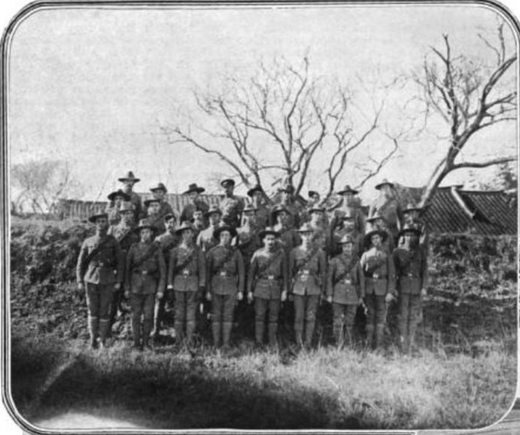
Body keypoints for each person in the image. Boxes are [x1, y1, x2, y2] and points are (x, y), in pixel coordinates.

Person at [76, 213, 124, 349]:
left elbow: (120, 263)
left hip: (108, 279)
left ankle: (102, 340)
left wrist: (118, 281)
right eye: (98, 222)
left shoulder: (113, 241)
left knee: (105, 310)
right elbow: (80, 263)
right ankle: (92, 340)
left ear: (107, 224)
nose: (101, 224)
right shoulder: (88, 241)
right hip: (90, 279)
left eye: (103, 221)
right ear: (95, 224)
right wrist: (79, 281)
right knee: (92, 310)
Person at [125, 219, 166, 350]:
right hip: (135, 285)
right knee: (135, 315)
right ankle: (136, 342)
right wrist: (126, 287)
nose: (145, 235)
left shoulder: (156, 249)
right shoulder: (134, 248)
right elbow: (127, 269)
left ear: (151, 233)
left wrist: (160, 289)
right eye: (142, 232)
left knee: (149, 316)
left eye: (147, 232)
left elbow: (162, 271)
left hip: (150, 286)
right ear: (139, 234)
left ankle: (146, 342)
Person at [247, 227, 288, 348]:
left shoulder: (281, 254)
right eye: (268, 239)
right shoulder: (258, 254)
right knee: (259, 316)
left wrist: (285, 290)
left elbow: (285, 274)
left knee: (273, 317)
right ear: (263, 240)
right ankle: (259, 342)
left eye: (273, 239)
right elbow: (251, 274)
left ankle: (272, 342)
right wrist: (249, 291)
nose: (271, 242)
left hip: (275, 288)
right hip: (260, 288)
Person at [206, 225, 245, 349]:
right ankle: (216, 343)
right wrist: (207, 290)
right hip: (215, 285)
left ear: (231, 237)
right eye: (222, 235)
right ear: (218, 237)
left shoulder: (236, 252)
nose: (224, 237)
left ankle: (226, 343)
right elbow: (207, 273)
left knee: (228, 315)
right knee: (216, 315)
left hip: (230, 285)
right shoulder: (212, 252)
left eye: (227, 235)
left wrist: (240, 290)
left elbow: (241, 272)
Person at [167, 222, 206, 347]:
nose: (187, 235)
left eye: (189, 232)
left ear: (193, 234)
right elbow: (170, 270)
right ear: (181, 235)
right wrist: (169, 286)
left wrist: (201, 286)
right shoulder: (174, 251)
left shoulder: (198, 250)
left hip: (192, 284)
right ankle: (178, 341)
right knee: (179, 314)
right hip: (178, 283)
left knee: (191, 314)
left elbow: (202, 269)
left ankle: (189, 341)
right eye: (184, 233)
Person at [289, 223, 327, 350]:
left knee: (311, 316)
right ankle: (298, 342)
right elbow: (290, 272)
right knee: (299, 316)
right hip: (298, 287)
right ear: (300, 235)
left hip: (314, 287)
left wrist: (322, 290)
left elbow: (323, 272)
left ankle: (308, 343)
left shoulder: (319, 252)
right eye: (304, 234)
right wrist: (289, 289)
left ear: (312, 235)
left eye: (309, 234)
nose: (306, 237)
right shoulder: (294, 252)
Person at [393, 224, 428, 353]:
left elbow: (424, 271)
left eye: (412, 235)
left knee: (413, 315)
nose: (409, 237)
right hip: (403, 286)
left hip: (416, 287)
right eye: (407, 235)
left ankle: (411, 339)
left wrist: (424, 287)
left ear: (416, 237)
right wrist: (394, 288)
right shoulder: (397, 252)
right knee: (403, 314)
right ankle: (403, 339)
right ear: (403, 237)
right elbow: (394, 273)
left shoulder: (421, 252)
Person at [360, 224, 396, 350]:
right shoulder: (365, 255)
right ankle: (368, 344)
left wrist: (390, 291)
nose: (375, 240)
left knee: (381, 315)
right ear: (370, 241)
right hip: (369, 288)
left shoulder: (387, 255)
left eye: (377, 238)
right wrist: (362, 292)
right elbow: (361, 275)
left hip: (382, 288)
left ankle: (379, 345)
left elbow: (392, 275)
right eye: (373, 238)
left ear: (381, 239)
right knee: (370, 314)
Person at [327, 234, 365, 348]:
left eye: (349, 246)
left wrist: (361, 296)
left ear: (352, 247)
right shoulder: (335, 261)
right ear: (342, 248)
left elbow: (361, 279)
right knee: (337, 321)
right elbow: (329, 278)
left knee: (350, 321)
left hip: (353, 294)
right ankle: (338, 343)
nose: (347, 249)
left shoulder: (356, 261)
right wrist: (329, 294)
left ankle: (348, 344)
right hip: (338, 293)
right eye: (345, 246)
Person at [107, 201, 139, 337]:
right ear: (120, 215)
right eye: (124, 213)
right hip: (115, 270)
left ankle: (130, 332)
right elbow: (106, 249)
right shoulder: (113, 229)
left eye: (129, 213)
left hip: (131, 271)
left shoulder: (136, 232)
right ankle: (106, 331)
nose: (127, 216)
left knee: (132, 303)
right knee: (112, 302)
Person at [151, 213, 180, 341]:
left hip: (177, 273)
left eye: (173, 222)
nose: (171, 224)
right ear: (165, 224)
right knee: (159, 302)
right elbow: (153, 257)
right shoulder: (159, 239)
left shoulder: (180, 238)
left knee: (178, 303)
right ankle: (156, 330)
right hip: (162, 273)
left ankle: (178, 332)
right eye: (168, 222)